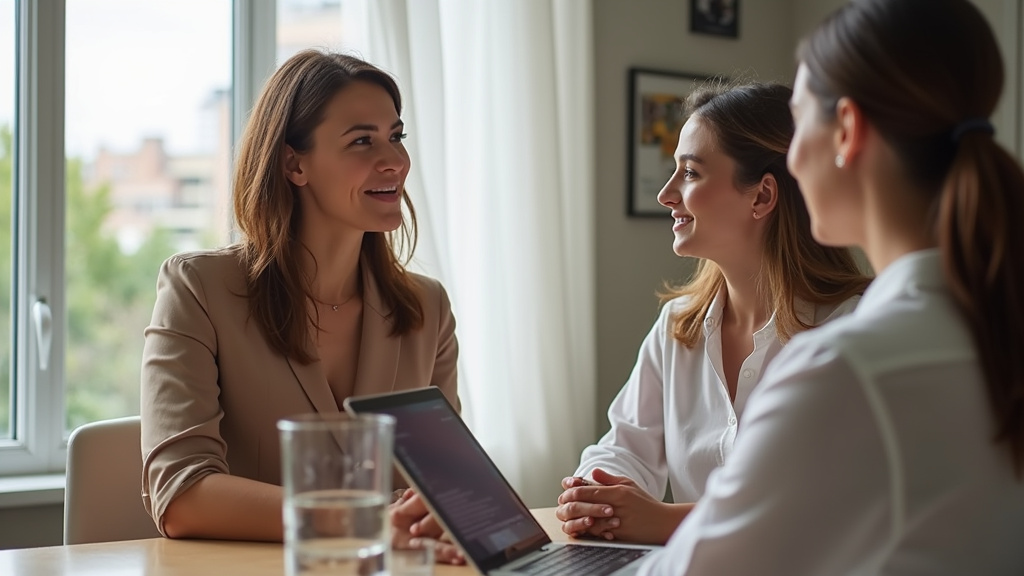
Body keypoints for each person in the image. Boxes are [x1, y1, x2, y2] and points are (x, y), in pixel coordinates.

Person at [636, 0, 1024, 574]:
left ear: (846, 131)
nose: (792, 159)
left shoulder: (845, 370)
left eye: (800, 121)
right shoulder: (992, 327)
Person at [140, 50, 459, 542]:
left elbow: (446, 487)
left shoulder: (427, 309)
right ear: (294, 164)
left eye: (395, 136)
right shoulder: (199, 290)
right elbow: (181, 496)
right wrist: (364, 518)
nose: (395, 160)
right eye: (362, 141)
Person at [555, 82, 871, 545]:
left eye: (690, 173)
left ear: (762, 197)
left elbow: (826, 506)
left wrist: (666, 521)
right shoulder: (678, 328)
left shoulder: (853, 329)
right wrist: (594, 494)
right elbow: (624, 447)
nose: (666, 194)